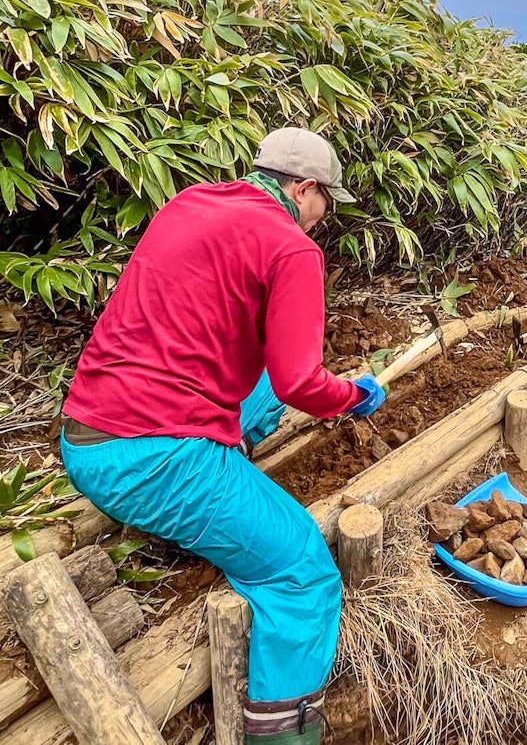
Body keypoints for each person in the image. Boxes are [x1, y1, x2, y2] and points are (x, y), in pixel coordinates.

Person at [60, 128, 384, 745]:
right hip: (153, 459)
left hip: (89, 431)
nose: (322, 219)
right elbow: (297, 385)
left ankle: (228, 467)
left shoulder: (189, 203)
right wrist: (352, 396)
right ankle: (283, 732)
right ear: (305, 188)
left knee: (258, 382)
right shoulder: (291, 248)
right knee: (303, 573)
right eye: (325, 204)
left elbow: (262, 362)